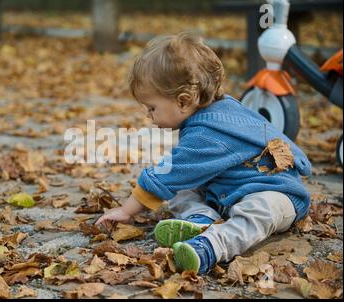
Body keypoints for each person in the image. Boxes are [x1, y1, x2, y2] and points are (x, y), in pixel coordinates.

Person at [95, 31, 311, 275]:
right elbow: (179, 178)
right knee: (182, 189)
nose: (149, 115)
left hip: (277, 194)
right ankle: (201, 219)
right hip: (229, 191)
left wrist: (126, 210)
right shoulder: (213, 112)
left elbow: (168, 174)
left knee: (258, 210)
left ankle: (211, 247)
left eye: (152, 107)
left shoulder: (208, 133)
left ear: (184, 101)